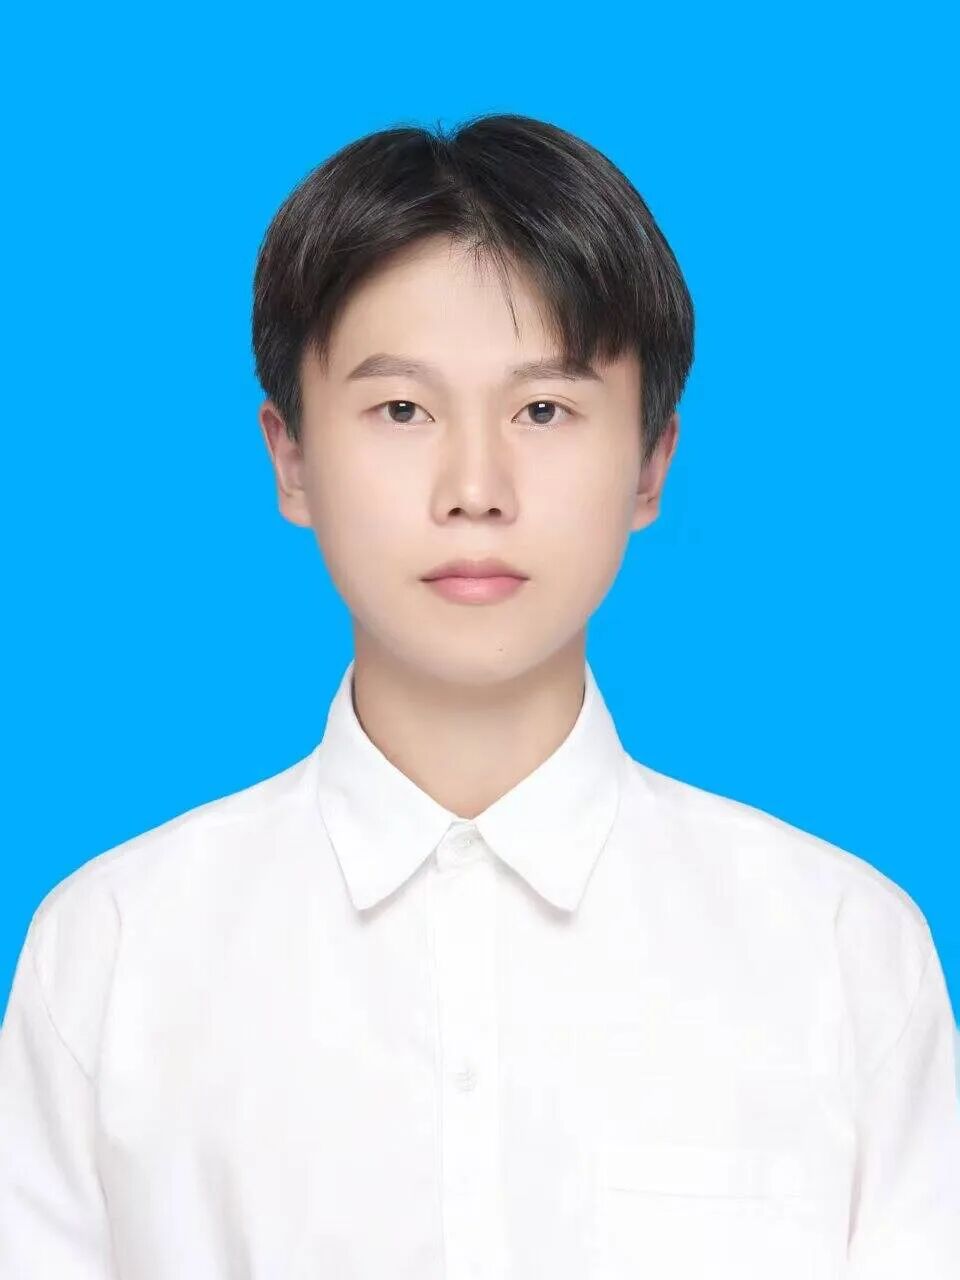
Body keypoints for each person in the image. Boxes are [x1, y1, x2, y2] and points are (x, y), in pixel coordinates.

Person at [1, 112, 957, 1279]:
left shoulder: (843, 951)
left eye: (543, 410)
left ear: (652, 462)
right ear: (291, 456)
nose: (474, 488)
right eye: (402, 410)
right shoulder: (112, 950)